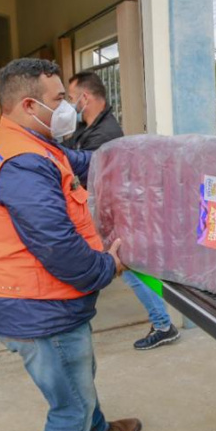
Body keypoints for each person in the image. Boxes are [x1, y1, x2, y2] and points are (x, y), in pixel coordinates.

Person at [0, 58, 140, 431]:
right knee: (70, 407)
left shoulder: (30, 141)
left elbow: (81, 163)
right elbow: (60, 250)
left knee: (80, 372)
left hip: (41, 302)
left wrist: (139, 156)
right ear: (30, 105)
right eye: (60, 99)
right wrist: (108, 266)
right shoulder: (23, 164)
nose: (68, 106)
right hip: (39, 311)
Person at [65, 71, 180, 351]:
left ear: (85, 97)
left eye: (70, 98)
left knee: (129, 269)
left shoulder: (107, 135)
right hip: (99, 213)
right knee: (122, 268)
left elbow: (91, 177)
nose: (68, 106)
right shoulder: (87, 129)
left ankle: (164, 324)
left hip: (113, 214)